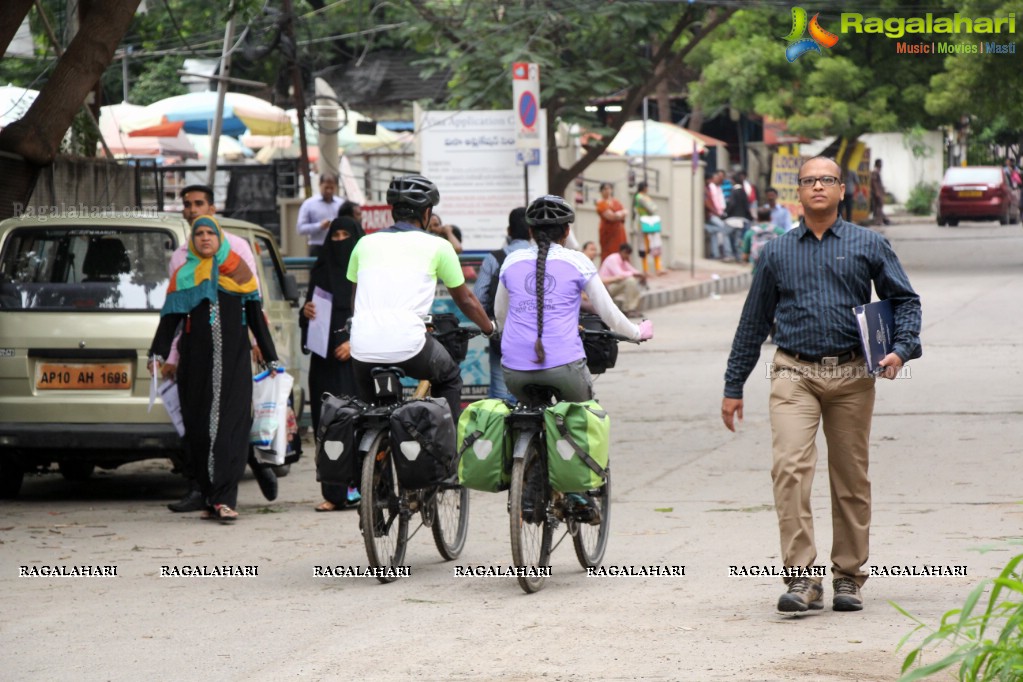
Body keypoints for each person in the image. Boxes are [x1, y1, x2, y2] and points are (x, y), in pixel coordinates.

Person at [721, 156, 922, 614]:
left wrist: (903, 348)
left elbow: (904, 299)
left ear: (841, 190)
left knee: (850, 478)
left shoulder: (868, 244)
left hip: (853, 375)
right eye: (808, 180)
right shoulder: (775, 252)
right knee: (789, 468)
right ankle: (802, 578)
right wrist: (734, 386)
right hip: (794, 372)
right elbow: (752, 323)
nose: (817, 187)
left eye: (826, 180)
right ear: (798, 192)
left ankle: (848, 577)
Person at [149, 217, 281, 523]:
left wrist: (270, 357)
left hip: (234, 362)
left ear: (220, 238)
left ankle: (224, 498)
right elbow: (170, 317)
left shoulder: (239, 271)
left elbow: (255, 317)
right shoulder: (185, 274)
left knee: (227, 429)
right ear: (193, 240)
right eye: (200, 234)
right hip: (195, 364)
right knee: (198, 429)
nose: (206, 238)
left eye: (211, 233)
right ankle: (211, 496)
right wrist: (157, 352)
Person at [347, 175, 494, 429]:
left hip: (361, 346)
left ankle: (368, 458)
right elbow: (466, 300)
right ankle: (444, 453)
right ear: (427, 213)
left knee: (369, 415)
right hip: (409, 345)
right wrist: (490, 328)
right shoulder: (438, 246)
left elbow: (355, 299)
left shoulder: (363, 243)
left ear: (393, 211)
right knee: (449, 378)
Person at [495, 195, 652, 406]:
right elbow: (607, 311)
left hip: (514, 368)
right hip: (564, 366)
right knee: (583, 420)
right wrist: (636, 332)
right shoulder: (577, 261)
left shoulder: (511, 261)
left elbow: (501, 315)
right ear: (567, 232)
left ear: (531, 231)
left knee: (521, 414)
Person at [302, 216, 365, 512]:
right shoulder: (321, 271)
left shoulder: (366, 274)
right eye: (335, 236)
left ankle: (359, 488)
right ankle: (333, 491)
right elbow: (310, 313)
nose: (340, 241)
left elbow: (375, 312)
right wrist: (306, 312)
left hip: (355, 362)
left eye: (345, 235)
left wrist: (355, 343)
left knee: (356, 423)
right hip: (324, 360)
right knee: (326, 425)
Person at [473, 207, 529, 401]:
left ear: (509, 231)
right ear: (532, 231)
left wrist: (490, 327)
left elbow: (479, 299)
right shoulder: (542, 257)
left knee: (501, 399)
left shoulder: (494, 259)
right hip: (540, 337)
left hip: (502, 338)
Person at [297, 174, 342, 257]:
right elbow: (300, 229)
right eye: (326, 188)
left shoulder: (341, 204)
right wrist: (319, 226)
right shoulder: (309, 204)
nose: (329, 191)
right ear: (320, 185)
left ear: (336, 187)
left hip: (337, 246)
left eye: (331, 188)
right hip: (317, 246)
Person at [597, 242, 646, 317]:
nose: (627, 255)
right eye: (626, 253)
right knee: (630, 281)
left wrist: (641, 275)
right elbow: (619, 274)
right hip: (606, 287)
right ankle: (628, 309)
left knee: (633, 282)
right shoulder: (613, 258)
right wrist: (635, 274)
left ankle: (631, 309)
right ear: (621, 251)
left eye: (628, 254)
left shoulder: (623, 260)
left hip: (613, 286)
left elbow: (631, 270)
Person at [632, 181, 664, 275]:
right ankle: (646, 270)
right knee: (644, 247)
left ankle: (658, 268)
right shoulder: (640, 197)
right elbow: (652, 208)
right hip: (644, 225)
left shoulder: (644, 196)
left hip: (650, 224)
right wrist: (653, 207)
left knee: (655, 245)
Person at [704, 171, 735, 261]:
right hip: (712, 214)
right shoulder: (708, 188)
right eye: (716, 177)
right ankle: (728, 253)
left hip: (717, 214)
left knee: (714, 233)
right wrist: (715, 212)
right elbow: (707, 202)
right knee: (724, 229)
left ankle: (715, 254)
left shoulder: (715, 188)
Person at [596, 182, 627, 264]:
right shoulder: (600, 203)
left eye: (609, 188)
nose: (607, 191)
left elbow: (626, 212)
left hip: (619, 231)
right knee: (608, 252)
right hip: (608, 232)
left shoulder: (616, 202)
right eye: (605, 189)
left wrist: (619, 214)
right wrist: (620, 214)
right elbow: (611, 217)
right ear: (601, 191)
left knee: (621, 250)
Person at [724, 172, 753, 260]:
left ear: (733, 181)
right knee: (738, 238)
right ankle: (739, 256)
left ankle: (729, 255)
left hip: (733, 218)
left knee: (725, 234)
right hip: (742, 219)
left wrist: (726, 213)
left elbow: (732, 204)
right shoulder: (743, 192)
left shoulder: (734, 191)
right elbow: (746, 206)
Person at [869, 159, 890, 226]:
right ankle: (878, 221)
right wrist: (877, 192)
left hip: (878, 192)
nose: (881, 165)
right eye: (880, 163)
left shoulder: (877, 171)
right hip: (877, 193)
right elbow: (874, 182)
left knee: (879, 207)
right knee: (878, 207)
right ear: (878, 164)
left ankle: (881, 220)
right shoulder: (875, 171)